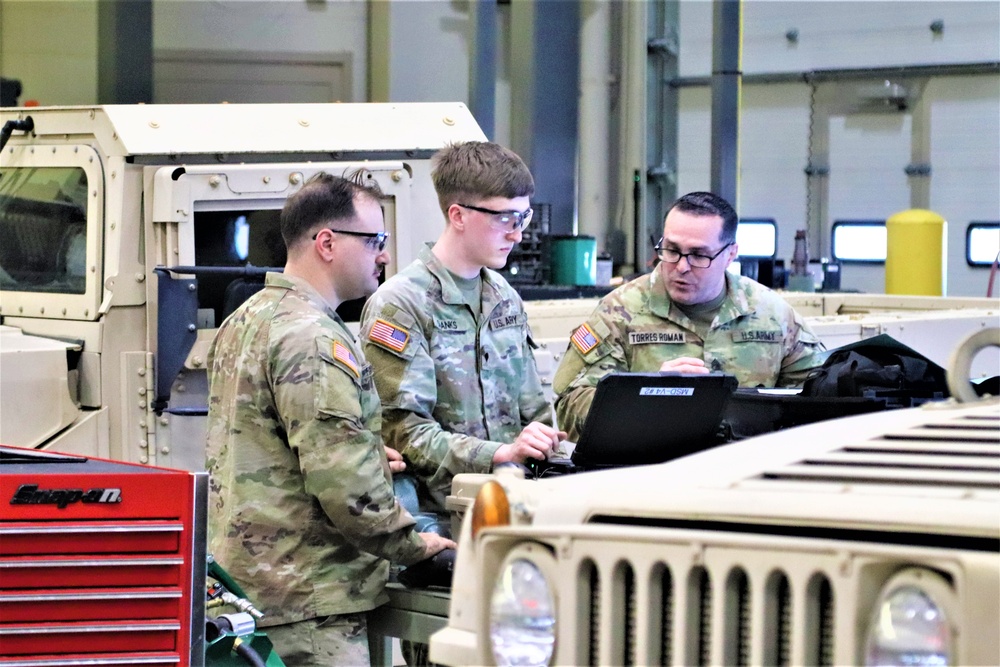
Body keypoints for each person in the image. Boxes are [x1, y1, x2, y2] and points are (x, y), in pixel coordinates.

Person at [205, 173, 455, 667]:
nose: (384, 254)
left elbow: (273, 442)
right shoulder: (317, 339)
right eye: (375, 241)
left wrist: (358, 446)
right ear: (326, 243)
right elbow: (347, 488)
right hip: (310, 602)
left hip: (253, 589)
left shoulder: (248, 318)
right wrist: (412, 544)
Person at [360, 141, 564, 529]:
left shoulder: (504, 297)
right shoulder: (402, 305)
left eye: (524, 218)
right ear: (458, 215)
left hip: (513, 507)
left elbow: (534, 412)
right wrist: (499, 453)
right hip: (436, 519)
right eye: (506, 219)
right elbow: (404, 432)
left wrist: (543, 442)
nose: (518, 235)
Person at [553, 191, 825, 441]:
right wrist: (645, 395)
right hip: (650, 474)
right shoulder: (620, 311)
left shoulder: (771, 314)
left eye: (698, 255)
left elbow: (819, 396)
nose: (681, 267)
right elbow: (569, 406)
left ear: (730, 254)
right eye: (671, 250)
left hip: (744, 472)